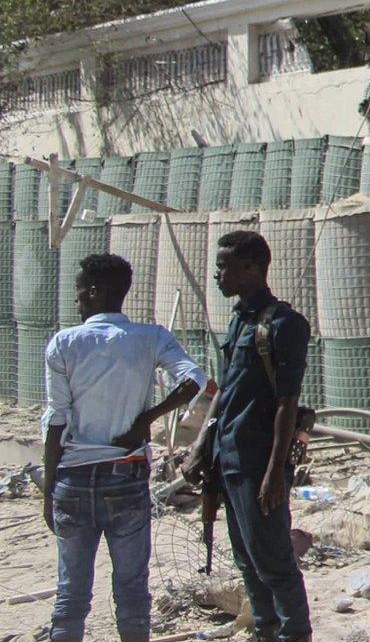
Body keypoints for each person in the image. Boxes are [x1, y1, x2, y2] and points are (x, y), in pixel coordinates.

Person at [42, 253, 208, 642]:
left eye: (81, 292)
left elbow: (56, 422)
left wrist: (49, 490)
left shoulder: (65, 343)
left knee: (71, 592)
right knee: (132, 588)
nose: (78, 300)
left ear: (96, 292)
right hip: (127, 479)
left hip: (74, 480)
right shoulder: (150, 338)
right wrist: (146, 419)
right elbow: (196, 381)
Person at [184, 231, 312, 642]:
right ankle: (265, 631)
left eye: (225, 266)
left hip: (259, 460)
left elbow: (287, 402)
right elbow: (227, 390)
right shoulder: (241, 318)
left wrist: (276, 471)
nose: (218, 275)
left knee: (274, 560)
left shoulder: (284, 324)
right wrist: (203, 446)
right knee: (246, 559)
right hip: (229, 457)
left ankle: (296, 634)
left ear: (253, 268)